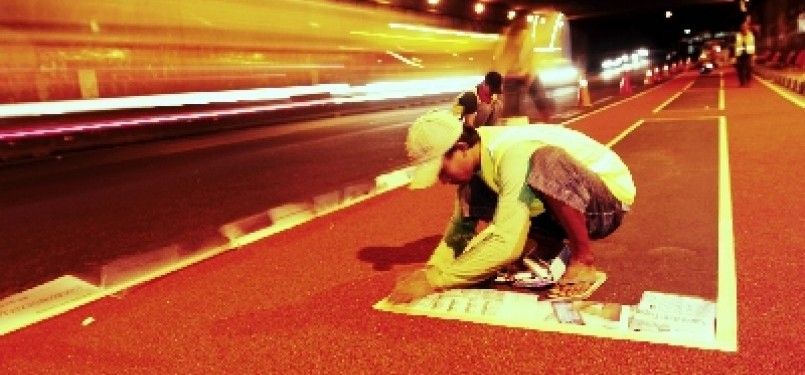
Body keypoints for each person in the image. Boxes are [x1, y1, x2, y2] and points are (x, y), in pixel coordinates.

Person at [388, 110, 636, 304]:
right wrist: (432, 269)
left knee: (544, 161)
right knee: (473, 189)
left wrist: (436, 281)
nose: (442, 180)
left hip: (607, 205)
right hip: (574, 201)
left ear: (461, 149)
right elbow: (459, 231)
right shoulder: (479, 159)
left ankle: (583, 259)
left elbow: (506, 242)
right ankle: (549, 245)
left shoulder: (510, 153)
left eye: (441, 171)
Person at [734, 20, 756, 87]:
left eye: (745, 27)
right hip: (739, 54)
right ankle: (742, 83)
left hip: (748, 54)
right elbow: (735, 45)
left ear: (747, 28)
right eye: (742, 27)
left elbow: (753, 44)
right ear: (741, 28)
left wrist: (753, 55)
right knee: (740, 69)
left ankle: (748, 82)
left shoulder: (751, 35)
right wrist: (734, 56)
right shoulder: (738, 35)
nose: (744, 28)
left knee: (748, 68)